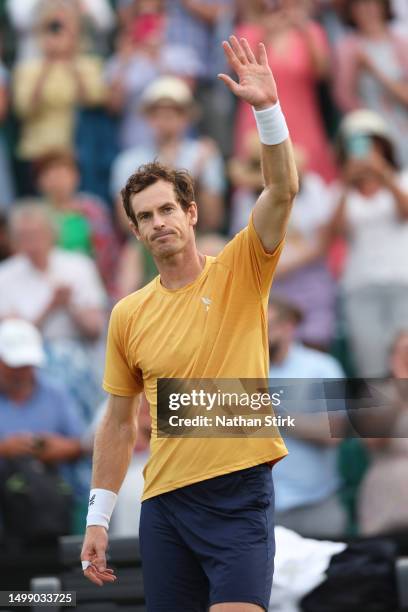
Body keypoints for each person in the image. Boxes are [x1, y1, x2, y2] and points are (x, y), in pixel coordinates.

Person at [81, 35, 299, 611]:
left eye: (167, 209)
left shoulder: (242, 268)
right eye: (145, 216)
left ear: (191, 212)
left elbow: (282, 188)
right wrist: (98, 517)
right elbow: (118, 423)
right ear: (135, 231)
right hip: (165, 505)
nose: (158, 223)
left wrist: (267, 110)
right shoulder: (128, 313)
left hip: (238, 493)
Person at [328, 109, 408, 377]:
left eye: (370, 141)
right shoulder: (339, 190)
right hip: (360, 286)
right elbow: (336, 232)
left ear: (383, 144)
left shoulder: (402, 179)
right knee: (371, 367)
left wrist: (383, 174)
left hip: (403, 281)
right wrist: (346, 185)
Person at [268, 297, 347, 538]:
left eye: (267, 326)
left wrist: (276, 417)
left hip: (317, 507)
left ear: (289, 326)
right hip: (262, 510)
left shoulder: (322, 367)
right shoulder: (240, 369)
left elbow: (335, 432)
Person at [110, 75, 226, 232]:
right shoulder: (128, 160)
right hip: (148, 241)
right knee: (131, 255)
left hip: (195, 238)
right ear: (149, 118)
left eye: (175, 112)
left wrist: (199, 180)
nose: (166, 118)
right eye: (158, 113)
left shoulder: (204, 153)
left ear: (186, 117)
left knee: (212, 246)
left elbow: (213, 220)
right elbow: (126, 223)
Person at [0, 318, 86, 501]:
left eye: (26, 365)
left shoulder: (56, 393)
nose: (21, 372)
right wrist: (5, 449)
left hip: (48, 503)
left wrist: (56, 448)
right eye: (14, 366)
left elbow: (82, 445)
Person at [334, 0, 408, 166]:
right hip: (369, 133)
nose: (367, 10)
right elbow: (343, 97)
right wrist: (370, 125)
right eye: (360, 5)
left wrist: (373, 69)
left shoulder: (401, 42)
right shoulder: (347, 47)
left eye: (373, 4)